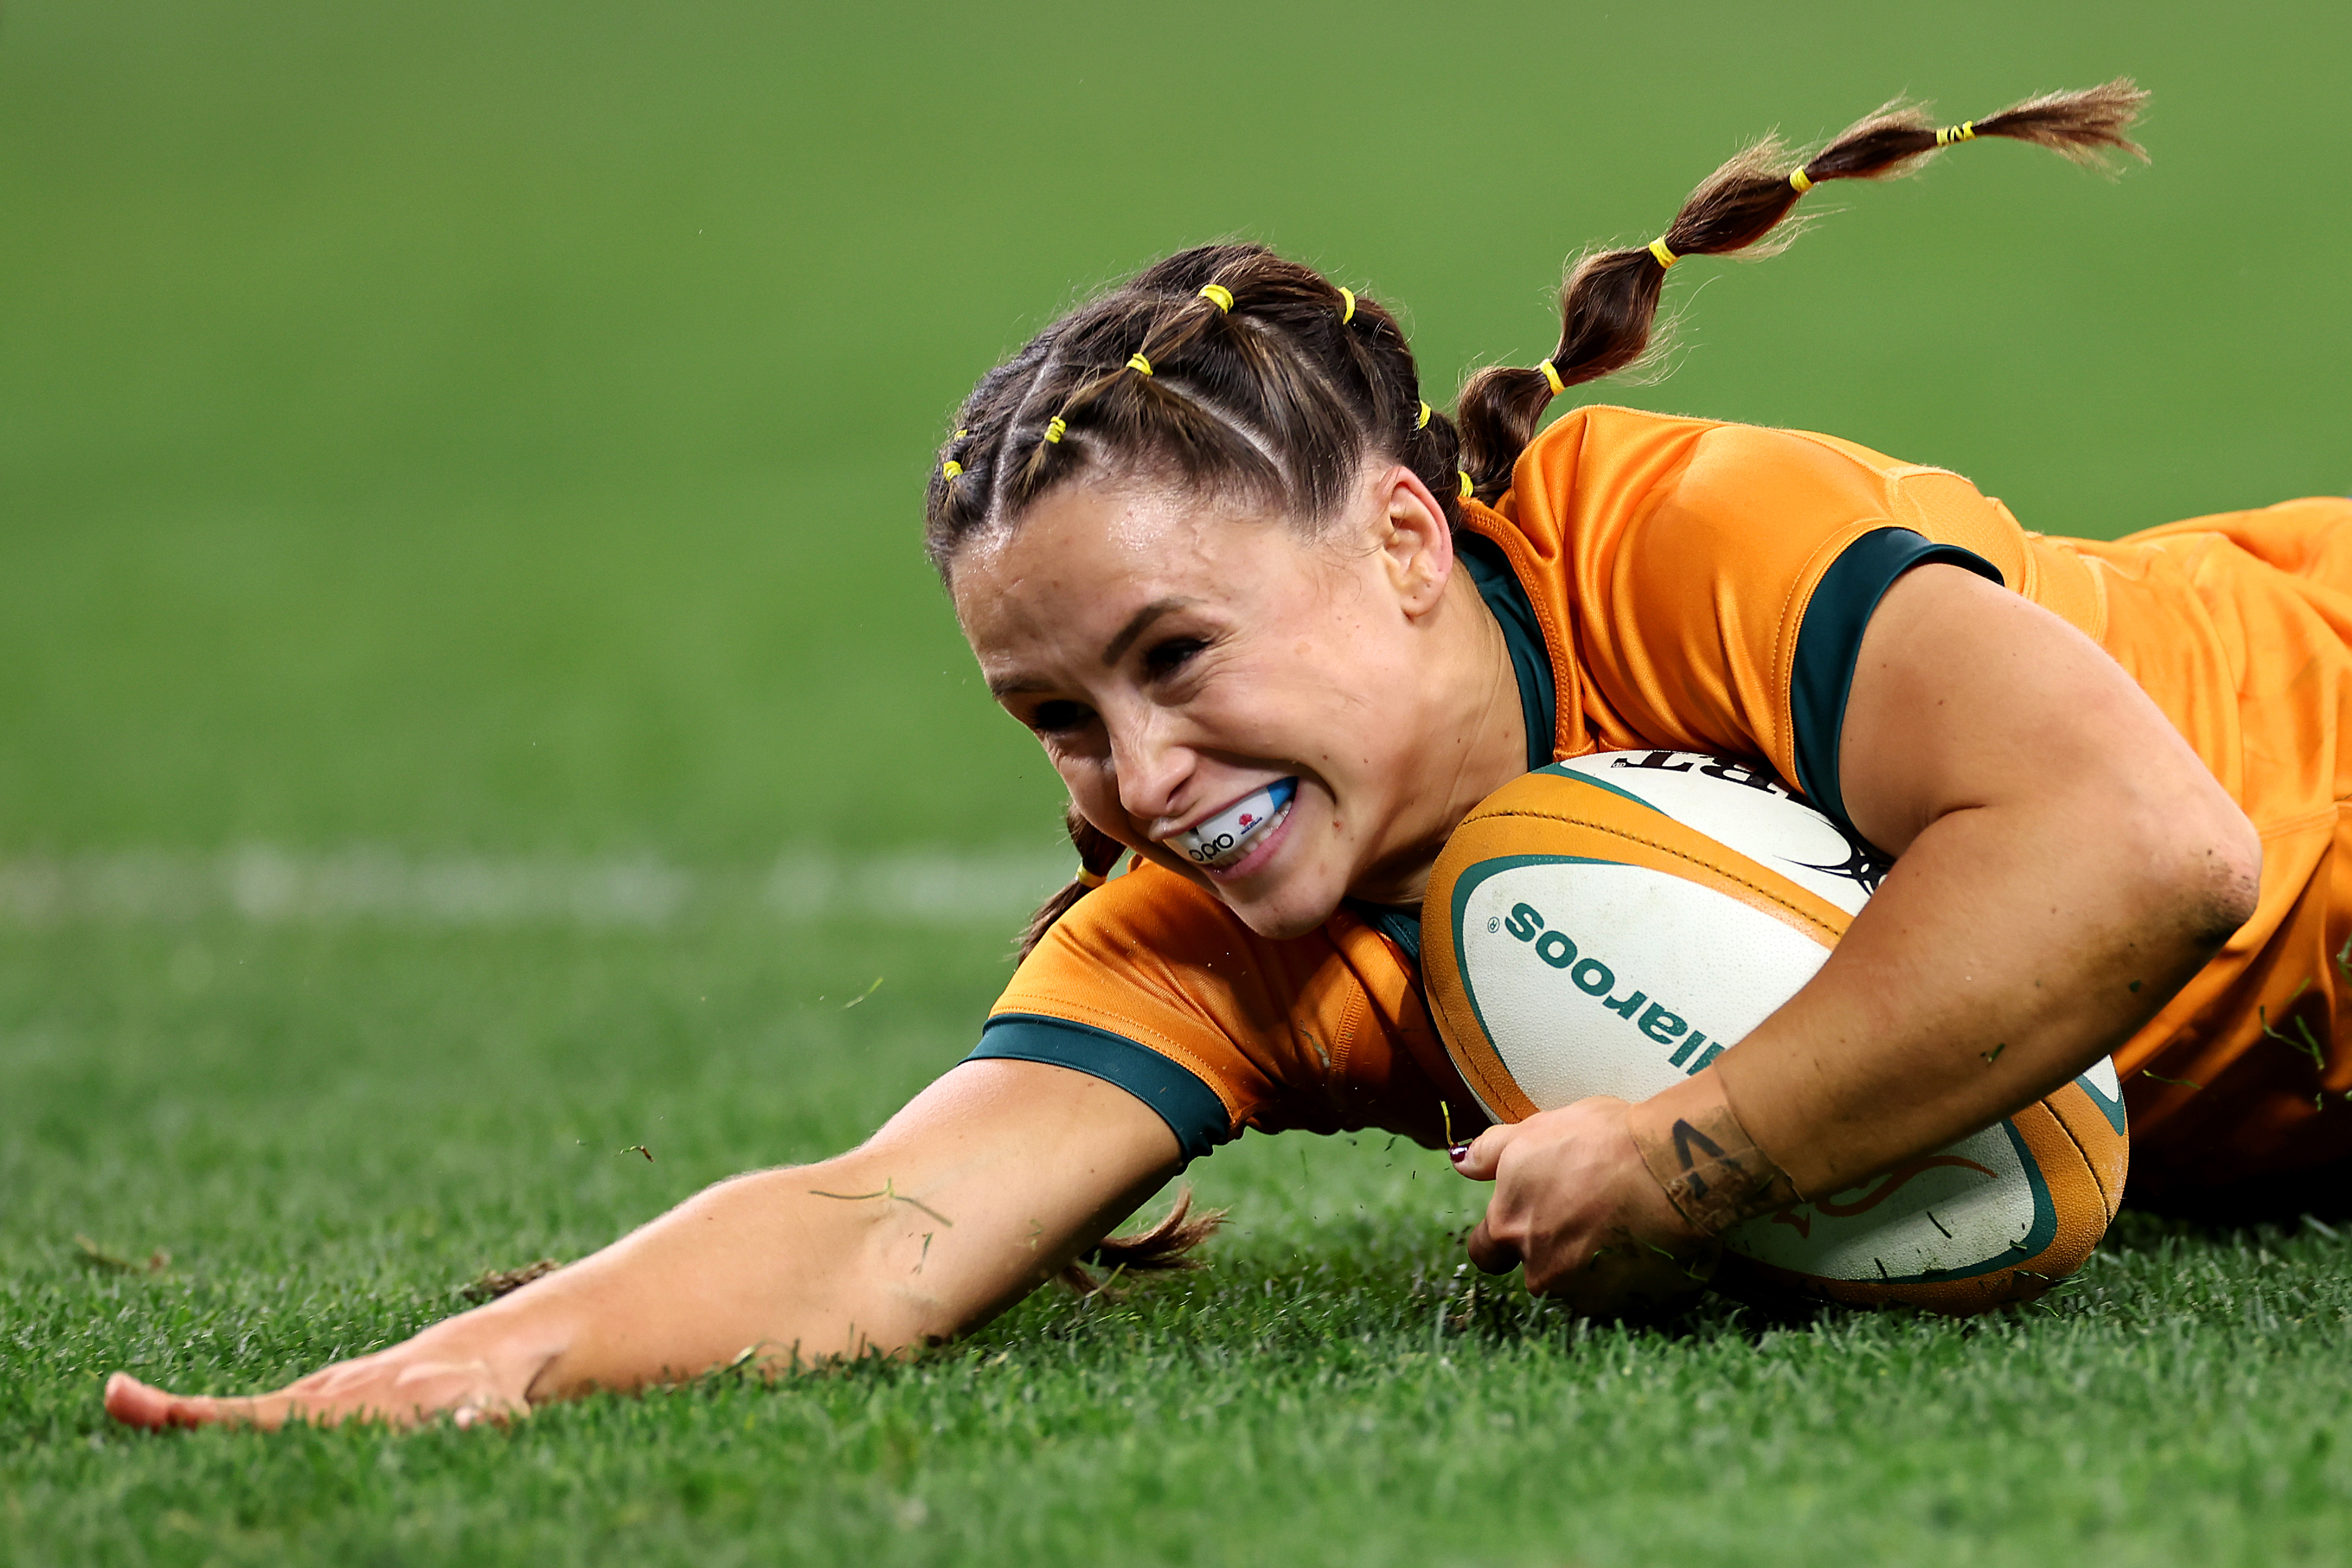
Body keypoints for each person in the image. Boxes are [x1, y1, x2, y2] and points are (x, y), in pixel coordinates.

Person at [107, 78, 2342, 1432]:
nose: (1140, 772)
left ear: (1402, 544)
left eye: (1175, 655)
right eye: (1058, 719)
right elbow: (878, 1229)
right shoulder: (1210, 928)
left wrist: (1701, 1154)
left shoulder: (1667, 538)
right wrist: (477, 1365)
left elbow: (2143, 844)